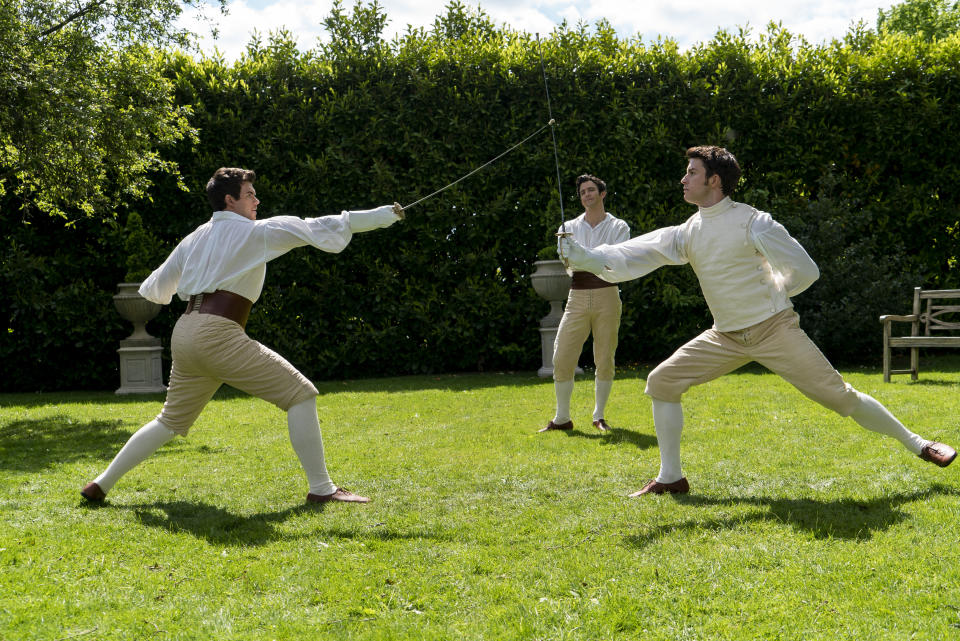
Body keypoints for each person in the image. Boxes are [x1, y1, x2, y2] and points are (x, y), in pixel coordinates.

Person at [560, 146, 956, 495]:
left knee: (842, 398)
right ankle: (671, 478)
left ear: (714, 180)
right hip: (724, 337)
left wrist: (774, 299)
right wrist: (586, 258)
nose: (683, 179)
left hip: (774, 330)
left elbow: (805, 271)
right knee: (662, 381)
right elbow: (637, 252)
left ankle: (918, 443)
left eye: (692, 173)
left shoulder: (755, 222)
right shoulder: (688, 230)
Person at [82, 167, 403, 505]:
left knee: (170, 420)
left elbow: (155, 288)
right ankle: (322, 489)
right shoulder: (255, 232)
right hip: (216, 334)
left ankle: (100, 484)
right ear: (229, 200)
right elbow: (316, 226)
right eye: (250, 194)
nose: (257, 200)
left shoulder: (195, 238)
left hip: (186, 331)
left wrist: (204, 269)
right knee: (301, 394)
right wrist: (383, 216)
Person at [539, 174, 630, 434]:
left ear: (602, 194)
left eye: (591, 190)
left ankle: (599, 416)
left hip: (607, 294)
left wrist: (585, 256)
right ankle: (562, 418)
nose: (586, 195)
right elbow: (569, 263)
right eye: (582, 192)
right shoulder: (568, 226)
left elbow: (616, 259)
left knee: (604, 356)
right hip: (577, 295)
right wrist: (589, 258)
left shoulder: (619, 226)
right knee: (562, 355)